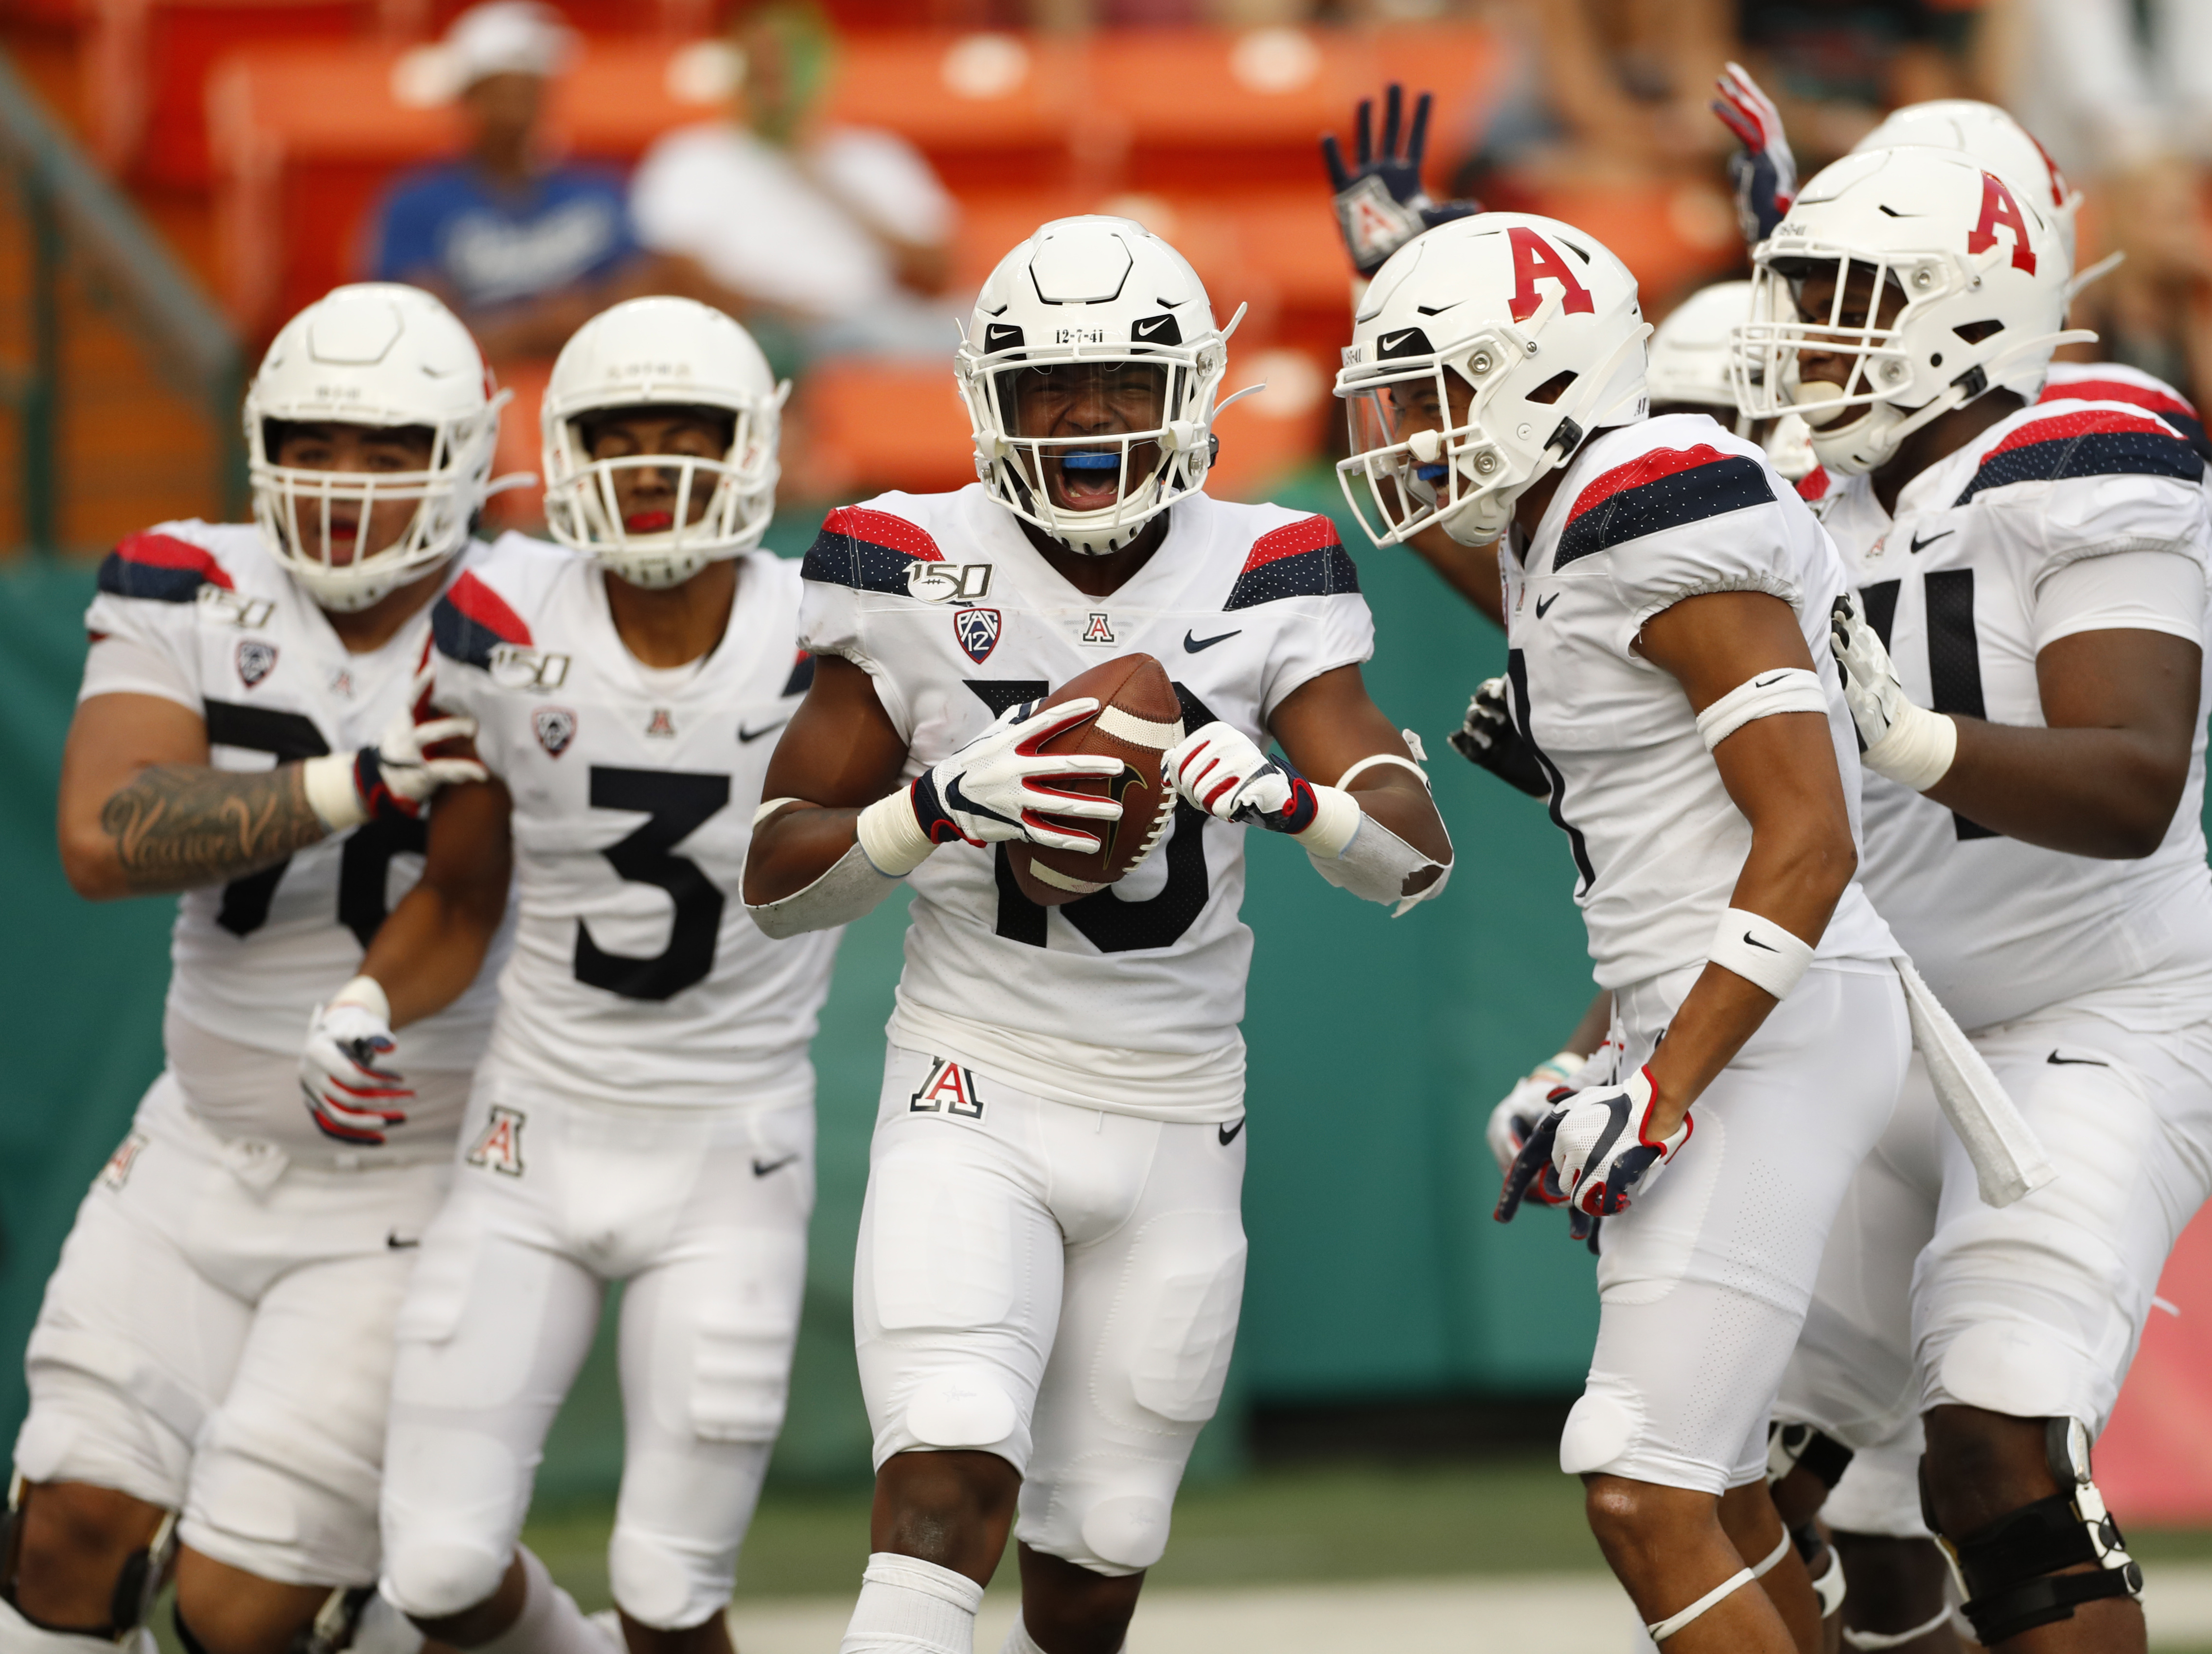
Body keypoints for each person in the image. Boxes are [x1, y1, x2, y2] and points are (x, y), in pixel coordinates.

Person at [742, 214, 1453, 1654]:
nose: (1086, 418)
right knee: (945, 1470)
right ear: (988, 402)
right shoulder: (910, 559)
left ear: (1188, 392)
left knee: (1101, 1561)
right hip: (973, 1081)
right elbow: (776, 875)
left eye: (1123, 383)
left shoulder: (1270, 561)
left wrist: (1299, 802)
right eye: (1050, 385)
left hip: (1178, 1112)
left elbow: (1412, 856)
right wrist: (932, 807)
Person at [1336, 208, 1912, 1653]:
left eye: (1440, 388)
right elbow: (1536, 601)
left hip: (1768, 1022)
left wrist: (1662, 1085)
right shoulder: (1573, 521)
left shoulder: (1650, 497)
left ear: (1546, 375)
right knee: (1714, 1488)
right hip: (1718, 1014)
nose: (1411, 431)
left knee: (1639, 1479)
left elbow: (1809, 839)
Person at [1733, 140, 2212, 1652]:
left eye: (1848, 298)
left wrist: (1910, 740)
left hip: (2090, 1025)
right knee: (1709, 1480)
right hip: (1877, 1043)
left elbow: (2131, 781)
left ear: (1968, 309)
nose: (1808, 335)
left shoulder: (2086, 448)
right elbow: (1562, 573)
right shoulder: (1807, 503)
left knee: (1996, 1450)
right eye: (1801, 295)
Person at [296, 297, 836, 1654]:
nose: (654, 462)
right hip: (532, 1133)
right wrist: (365, 1001)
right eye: (621, 433)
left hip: (732, 1149)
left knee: (669, 1586)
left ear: (753, 445)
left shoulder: (834, 622)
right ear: (568, 450)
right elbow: (463, 892)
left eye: (689, 432)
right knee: (433, 1568)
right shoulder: (501, 610)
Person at [16, 283, 504, 1654]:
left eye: (388, 446)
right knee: (64, 1537)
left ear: (464, 450)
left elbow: (472, 901)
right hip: (195, 1149)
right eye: (314, 439)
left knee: (243, 1608)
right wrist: (355, 783)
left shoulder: (521, 616)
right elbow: (104, 834)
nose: (343, 481)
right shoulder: (187, 577)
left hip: (410, 1175)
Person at [628, 2, 956, 364]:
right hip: (761, 332)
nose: (775, 81)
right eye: (761, 68)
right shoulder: (690, 157)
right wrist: (783, 313)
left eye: (787, 66)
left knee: (978, 332)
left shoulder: (878, 155)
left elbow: (937, 273)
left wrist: (823, 179)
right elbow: (677, 274)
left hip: (878, 327)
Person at [369, 4, 647, 365]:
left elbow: (642, 300)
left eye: (531, 89)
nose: (520, 107)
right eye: (505, 92)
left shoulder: (599, 189)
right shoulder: (415, 202)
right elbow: (422, 334)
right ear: (469, 98)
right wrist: (539, 327)